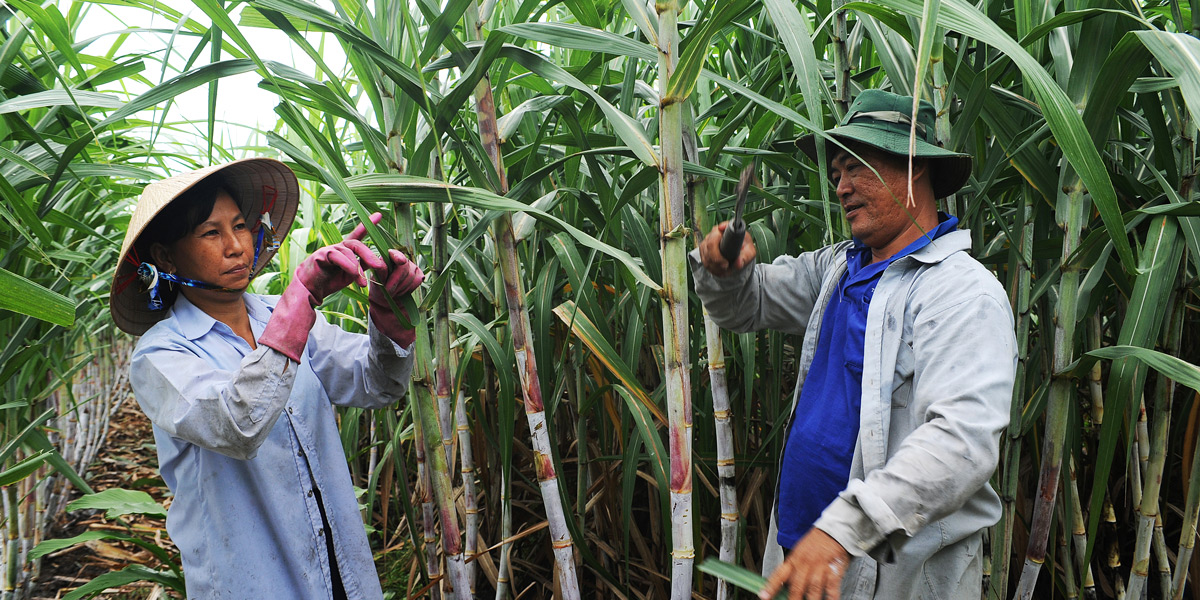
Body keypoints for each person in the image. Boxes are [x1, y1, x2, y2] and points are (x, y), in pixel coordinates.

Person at [692, 90, 1017, 599]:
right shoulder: (839, 268)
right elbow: (747, 306)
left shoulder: (961, 292)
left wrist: (843, 529)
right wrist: (724, 272)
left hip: (892, 572)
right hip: (806, 552)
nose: (841, 186)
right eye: (836, 172)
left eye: (856, 168)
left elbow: (962, 441)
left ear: (914, 170)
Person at [109, 158, 423, 600]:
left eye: (240, 226)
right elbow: (238, 424)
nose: (237, 246)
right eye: (211, 233)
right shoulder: (160, 356)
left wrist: (389, 315)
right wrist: (300, 302)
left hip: (340, 569)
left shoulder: (281, 313)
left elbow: (377, 383)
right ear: (164, 257)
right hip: (252, 581)